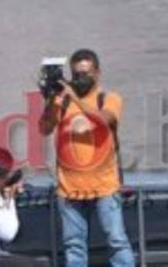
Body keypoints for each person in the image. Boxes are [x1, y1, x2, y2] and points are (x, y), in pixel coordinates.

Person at [39, 49, 133, 267]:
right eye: (76, 74)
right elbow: (44, 129)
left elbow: (104, 120)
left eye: (86, 73)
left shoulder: (108, 98)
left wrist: (75, 99)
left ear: (97, 73)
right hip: (70, 187)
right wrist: (50, 100)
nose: (80, 79)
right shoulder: (62, 101)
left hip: (104, 186)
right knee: (74, 246)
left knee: (117, 241)